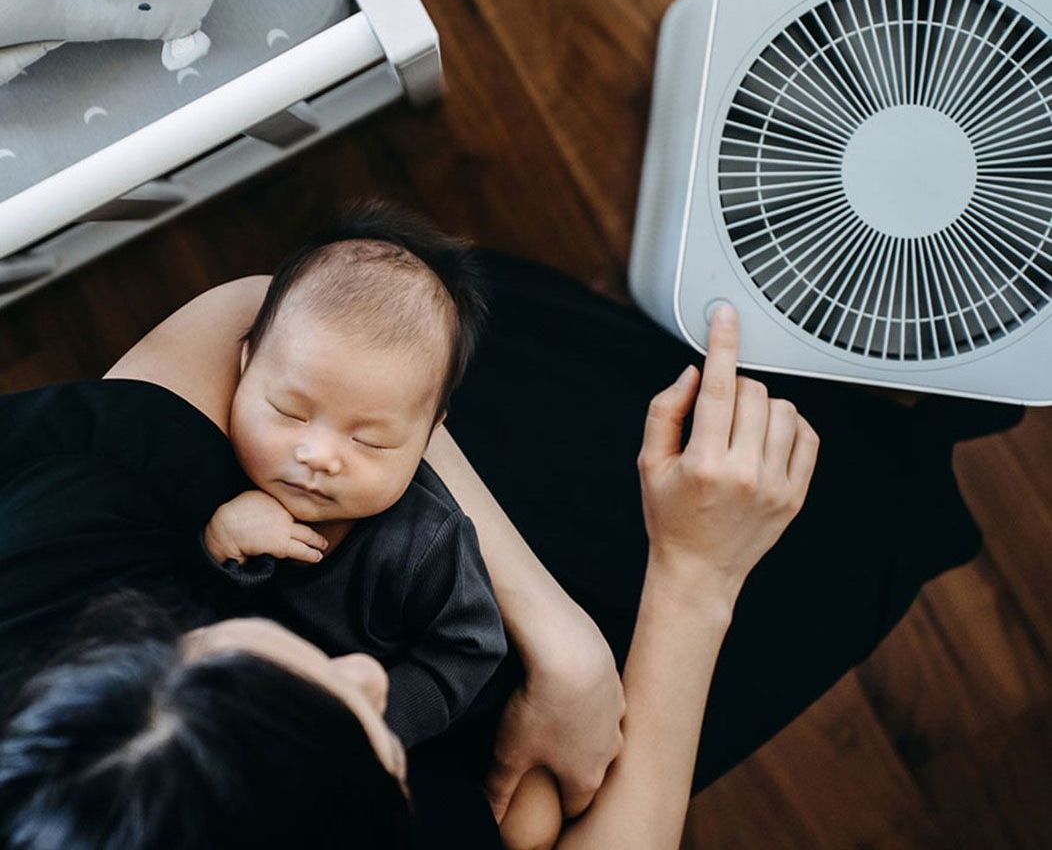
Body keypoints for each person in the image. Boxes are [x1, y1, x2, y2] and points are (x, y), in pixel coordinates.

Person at [0, 211, 1017, 847]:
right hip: (588, 691)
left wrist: (560, 640)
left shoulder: (43, 558)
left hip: (482, 585)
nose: (361, 671)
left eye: (197, 641)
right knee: (829, 551)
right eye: (365, 733)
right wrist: (697, 579)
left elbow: (256, 318)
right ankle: (940, 420)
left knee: (556, 377)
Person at [197, 206, 508, 751]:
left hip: (416, 736)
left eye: (369, 442)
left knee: (530, 824)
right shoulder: (211, 467)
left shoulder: (427, 545)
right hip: (256, 724)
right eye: (290, 412)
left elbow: (470, 651)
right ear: (245, 367)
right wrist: (218, 550)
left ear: (429, 434)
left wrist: (374, 719)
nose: (318, 456)